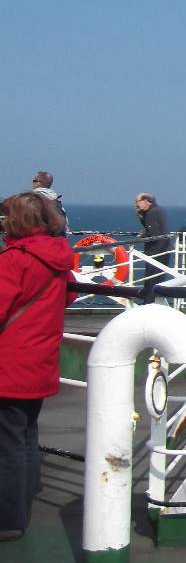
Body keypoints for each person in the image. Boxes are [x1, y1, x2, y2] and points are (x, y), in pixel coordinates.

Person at [0, 192, 75, 540]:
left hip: (9, 362)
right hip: (39, 361)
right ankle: (21, 505)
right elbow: (69, 295)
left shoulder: (14, 260)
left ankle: (8, 519)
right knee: (26, 436)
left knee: (7, 443)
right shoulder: (59, 256)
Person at [134, 192, 172, 286]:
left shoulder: (152, 213)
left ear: (145, 200)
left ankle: (149, 295)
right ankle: (157, 294)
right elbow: (157, 229)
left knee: (151, 279)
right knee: (160, 278)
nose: (136, 204)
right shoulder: (159, 209)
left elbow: (154, 234)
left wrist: (143, 236)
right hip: (164, 247)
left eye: (137, 201)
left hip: (155, 251)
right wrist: (141, 215)